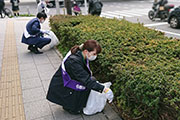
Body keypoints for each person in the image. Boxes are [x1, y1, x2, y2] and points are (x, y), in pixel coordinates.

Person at [46, 40, 114, 115]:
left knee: (92, 81)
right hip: (63, 86)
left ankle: (73, 103)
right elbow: (86, 80)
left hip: (69, 82)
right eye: (94, 54)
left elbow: (85, 77)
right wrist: (104, 89)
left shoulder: (81, 55)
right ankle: (69, 106)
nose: (95, 56)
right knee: (75, 110)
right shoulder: (73, 61)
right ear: (86, 51)